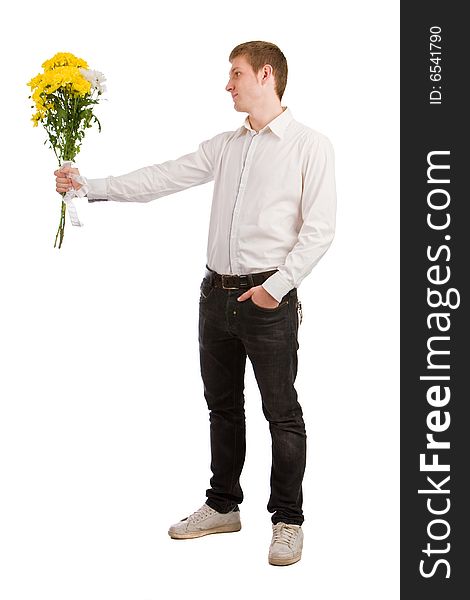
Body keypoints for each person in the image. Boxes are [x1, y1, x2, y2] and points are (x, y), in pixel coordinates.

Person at [54, 40, 336, 566]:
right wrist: (88, 186)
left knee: (282, 413)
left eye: (236, 74)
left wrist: (275, 288)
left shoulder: (309, 145)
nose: (228, 84)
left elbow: (319, 231)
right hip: (215, 295)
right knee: (222, 408)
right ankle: (223, 506)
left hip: (269, 299)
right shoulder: (225, 146)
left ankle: (288, 521)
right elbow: (162, 177)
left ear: (266, 75)